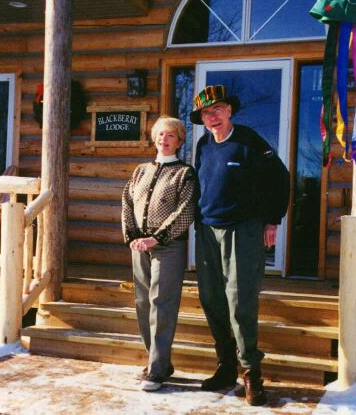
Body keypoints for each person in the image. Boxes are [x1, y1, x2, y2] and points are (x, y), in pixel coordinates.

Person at [190, 85, 290, 406]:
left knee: (239, 300)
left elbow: (280, 178)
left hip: (242, 231)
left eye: (218, 109)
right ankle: (226, 365)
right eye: (207, 112)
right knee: (211, 298)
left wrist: (272, 219)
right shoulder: (204, 145)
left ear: (229, 110)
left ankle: (251, 372)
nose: (213, 116)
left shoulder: (248, 141)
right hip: (207, 232)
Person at [122, 116, 196, 392]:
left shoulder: (184, 173)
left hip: (168, 245)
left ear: (179, 141)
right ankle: (159, 361)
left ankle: (156, 369)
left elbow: (186, 210)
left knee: (161, 302)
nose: (165, 140)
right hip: (139, 245)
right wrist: (132, 235)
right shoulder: (141, 171)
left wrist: (158, 237)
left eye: (171, 136)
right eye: (161, 135)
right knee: (142, 301)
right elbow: (127, 201)